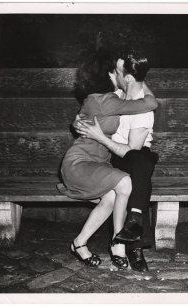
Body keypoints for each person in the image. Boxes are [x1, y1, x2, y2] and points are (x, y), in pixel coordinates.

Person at [58, 48, 158, 269]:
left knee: (113, 197)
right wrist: (139, 80)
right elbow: (151, 103)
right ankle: (118, 244)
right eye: (114, 71)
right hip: (81, 163)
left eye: (118, 71)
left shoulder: (113, 98)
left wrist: (138, 79)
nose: (117, 74)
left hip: (97, 162)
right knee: (125, 182)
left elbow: (137, 99)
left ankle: (79, 244)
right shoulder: (104, 100)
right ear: (109, 76)